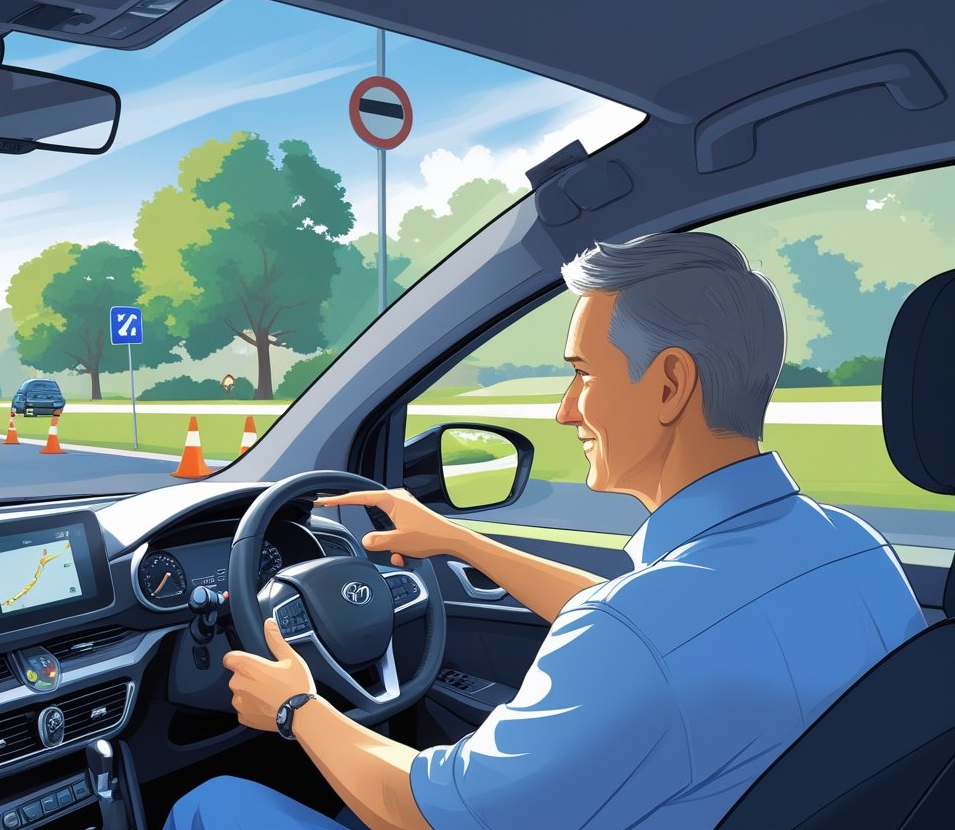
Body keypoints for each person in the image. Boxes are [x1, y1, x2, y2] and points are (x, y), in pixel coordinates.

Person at [164, 232, 926, 830]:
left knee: (214, 804)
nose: (566, 410)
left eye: (583, 374)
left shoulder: (638, 635)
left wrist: (298, 708)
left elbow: (426, 813)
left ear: (669, 384)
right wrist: (460, 541)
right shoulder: (853, 550)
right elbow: (664, 630)